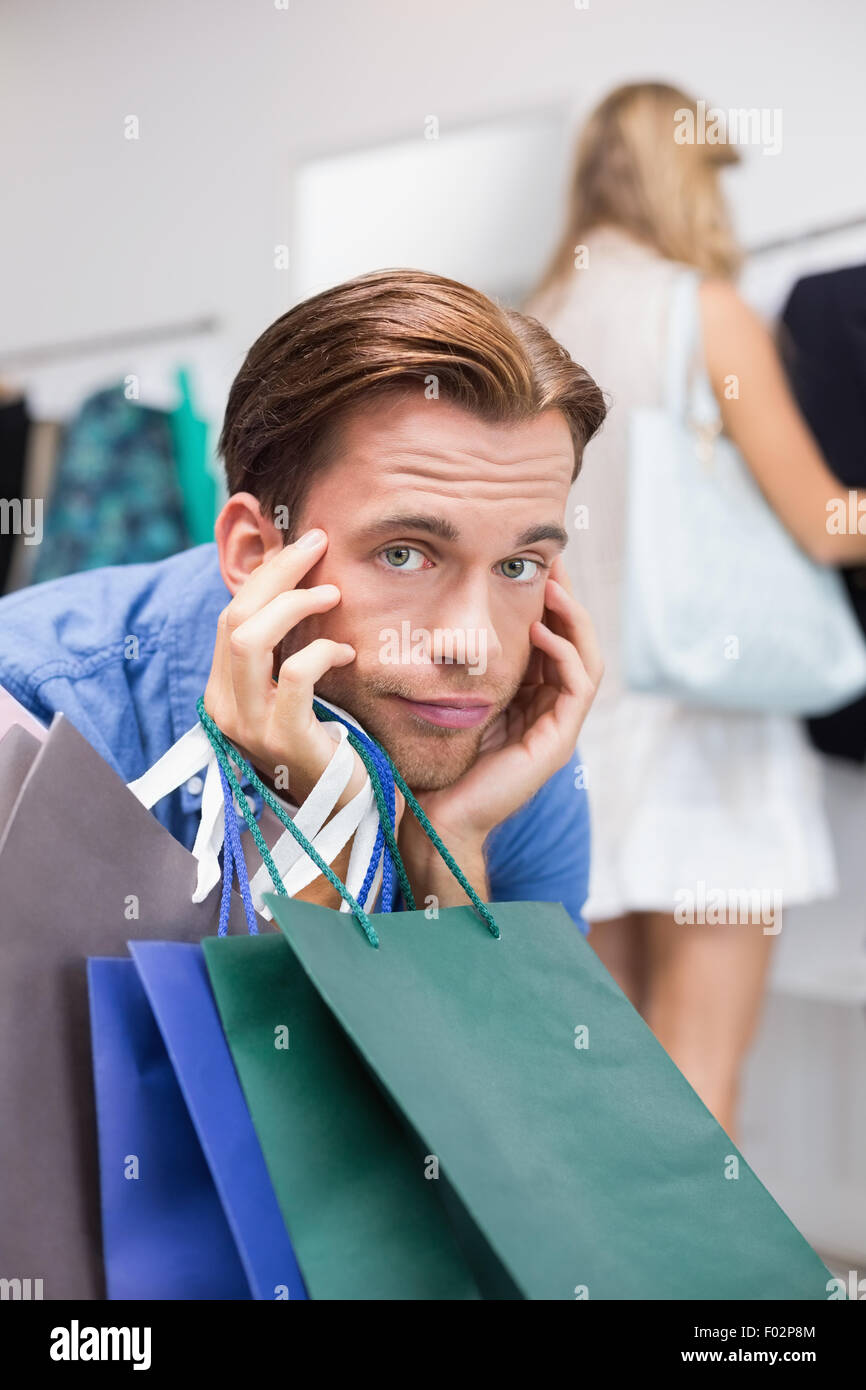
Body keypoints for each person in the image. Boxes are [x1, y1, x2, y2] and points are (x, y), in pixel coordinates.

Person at [0, 267, 605, 929]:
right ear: (254, 553)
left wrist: (447, 850)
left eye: (518, 565)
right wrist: (332, 835)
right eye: (403, 554)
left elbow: (513, 1037)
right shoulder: (34, 711)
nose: (474, 645)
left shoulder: (489, 733)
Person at [524, 82, 866, 1140]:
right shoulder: (699, 310)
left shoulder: (532, 325)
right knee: (699, 1077)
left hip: (574, 725)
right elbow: (822, 520)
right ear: (688, 180)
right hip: (704, 731)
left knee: (609, 1075)